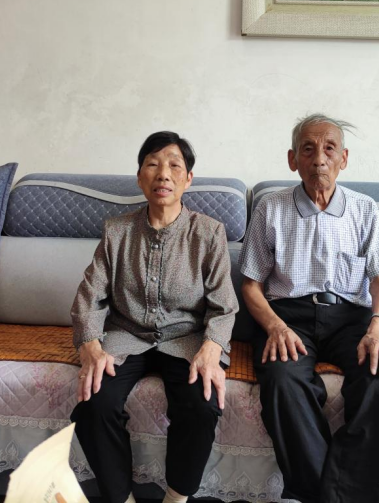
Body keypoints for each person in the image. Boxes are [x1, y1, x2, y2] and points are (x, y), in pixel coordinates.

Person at [239, 114, 379, 503]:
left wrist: (378, 330)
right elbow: (250, 284)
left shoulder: (364, 208)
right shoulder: (270, 207)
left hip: (351, 318)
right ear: (292, 159)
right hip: (288, 317)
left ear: (343, 158)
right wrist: (275, 327)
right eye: (308, 149)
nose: (319, 159)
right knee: (282, 380)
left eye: (329, 148)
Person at [70, 131, 239, 503]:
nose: (163, 174)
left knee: (201, 404)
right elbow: (89, 297)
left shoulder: (209, 233)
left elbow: (224, 306)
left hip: (186, 338)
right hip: (126, 336)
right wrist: (91, 346)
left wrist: (212, 349)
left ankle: (176, 498)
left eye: (174, 166)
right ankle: (121, 498)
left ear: (188, 179)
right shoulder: (117, 231)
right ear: (139, 177)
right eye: (152, 164)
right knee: (93, 403)